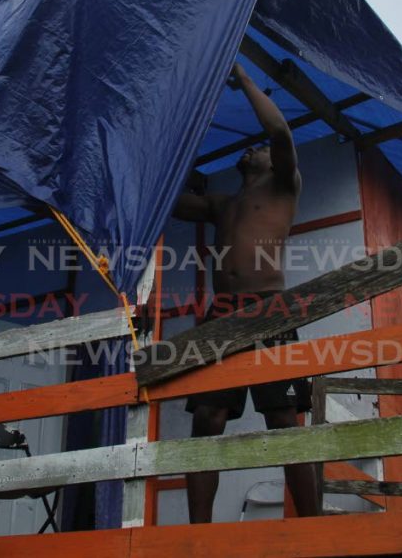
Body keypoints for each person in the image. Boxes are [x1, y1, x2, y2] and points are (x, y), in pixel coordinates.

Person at [172, 61, 319, 523]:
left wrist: (245, 79)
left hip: (269, 310)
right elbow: (172, 203)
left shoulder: (283, 183)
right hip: (222, 315)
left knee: (283, 422)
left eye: (256, 148)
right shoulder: (222, 203)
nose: (251, 149)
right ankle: (200, 535)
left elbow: (279, 132)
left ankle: (311, 529)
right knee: (207, 421)